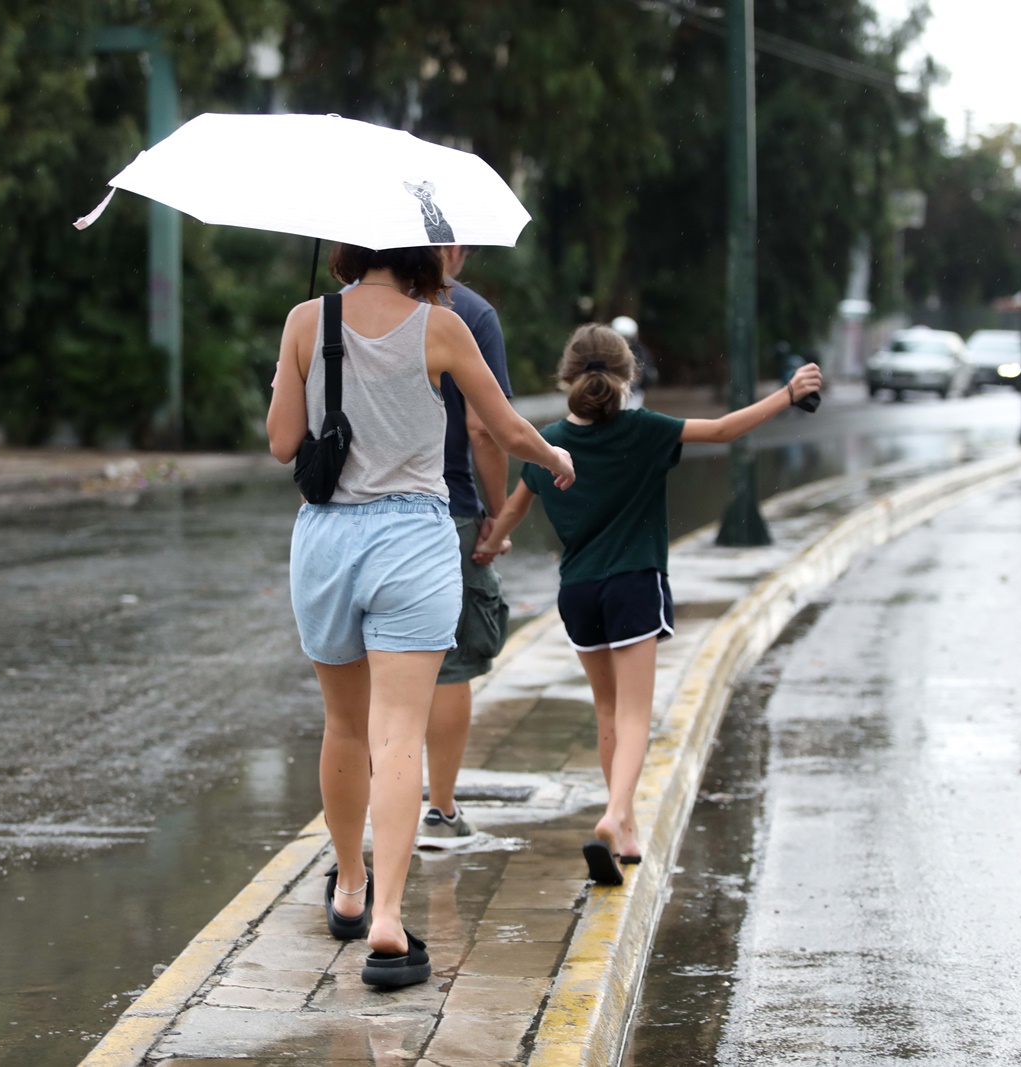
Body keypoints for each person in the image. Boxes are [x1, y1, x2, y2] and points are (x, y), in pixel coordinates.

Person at [266, 243, 574, 987]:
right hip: (412, 538)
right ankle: (388, 920)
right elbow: (503, 427)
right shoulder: (442, 326)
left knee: (343, 724)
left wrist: (313, 379)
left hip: (328, 539)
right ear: (419, 249)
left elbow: (282, 444)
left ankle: (347, 886)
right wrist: (556, 460)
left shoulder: (307, 321)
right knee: (398, 729)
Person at [475, 324, 820, 887]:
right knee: (637, 715)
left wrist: (488, 548)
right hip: (634, 584)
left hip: (579, 593)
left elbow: (512, 511)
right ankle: (613, 814)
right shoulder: (646, 430)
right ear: (628, 374)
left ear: (566, 377)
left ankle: (627, 829)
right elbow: (727, 430)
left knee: (608, 712)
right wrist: (787, 394)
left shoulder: (549, 443)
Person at [419, 245, 512, 847]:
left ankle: (356, 842)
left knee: (366, 680)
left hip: (347, 513)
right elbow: (486, 425)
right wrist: (498, 513)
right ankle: (441, 809)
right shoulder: (468, 314)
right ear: (450, 248)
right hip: (443, 507)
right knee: (446, 669)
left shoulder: (327, 316)